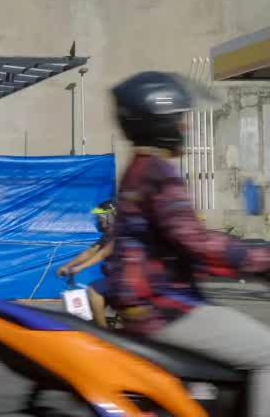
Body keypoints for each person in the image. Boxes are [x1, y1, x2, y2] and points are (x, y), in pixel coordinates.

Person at [103, 71, 270, 417]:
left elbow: (184, 241)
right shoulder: (159, 174)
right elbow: (195, 241)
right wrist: (262, 259)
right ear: (159, 122)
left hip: (147, 306)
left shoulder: (139, 170)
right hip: (165, 309)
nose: (186, 128)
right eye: (180, 119)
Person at [56, 200, 116, 327]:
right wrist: (68, 265)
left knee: (95, 290)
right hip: (120, 277)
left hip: (132, 277)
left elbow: (103, 253)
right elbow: (90, 251)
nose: (99, 221)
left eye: (101, 217)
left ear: (111, 217)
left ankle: (103, 333)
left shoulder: (120, 233)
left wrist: (80, 268)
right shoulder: (108, 235)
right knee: (92, 306)